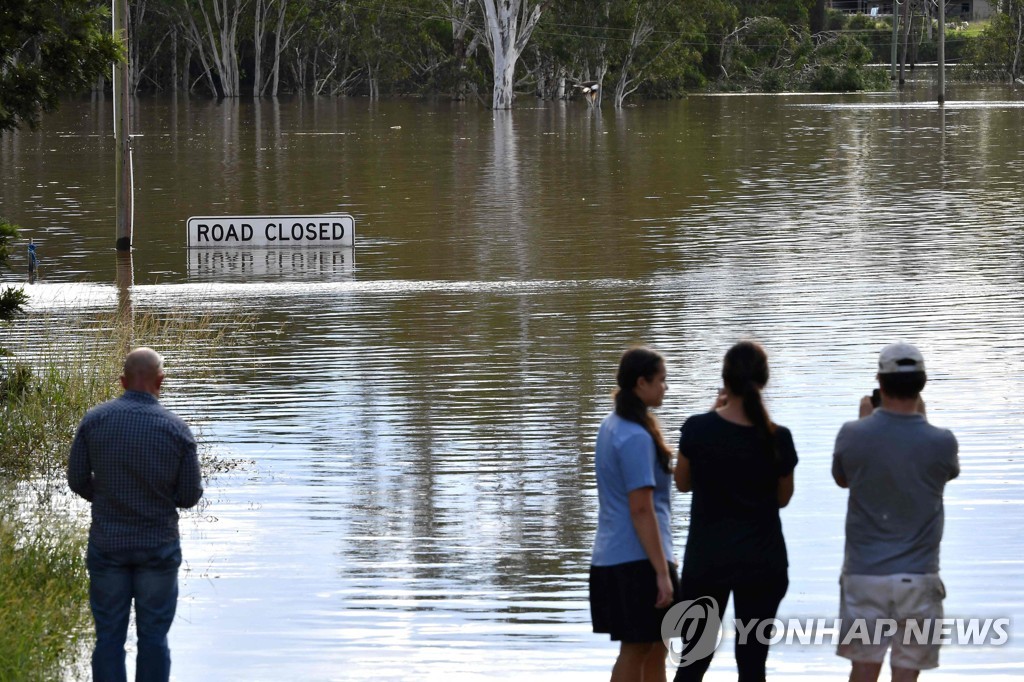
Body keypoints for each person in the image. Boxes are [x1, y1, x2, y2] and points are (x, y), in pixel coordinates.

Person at [68, 347, 203, 682]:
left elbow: (76, 479)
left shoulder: (94, 420)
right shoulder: (176, 429)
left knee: (109, 637)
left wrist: (105, 496)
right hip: (158, 546)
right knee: (154, 637)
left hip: (108, 545)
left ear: (122, 380)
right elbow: (188, 497)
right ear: (161, 380)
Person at [832, 343, 959, 682]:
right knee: (906, 674)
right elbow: (945, 473)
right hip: (919, 577)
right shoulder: (942, 441)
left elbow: (843, 479)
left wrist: (864, 422)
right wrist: (922, 419)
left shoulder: (852, 434)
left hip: (865, 576)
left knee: (863, 670)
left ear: (880, 382)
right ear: (922, 384)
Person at [673, 341, 797, 682]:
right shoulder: (778, 438)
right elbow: (782, 499)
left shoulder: (697, 428)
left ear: (725, 380)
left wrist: (712, 414)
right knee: (752, 664)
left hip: (707, 562)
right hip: (763, 563)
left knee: (693, 660)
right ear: (764, 380)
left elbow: (682, 483)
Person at [590, 347, 678, 682]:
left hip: (617, 555)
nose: (665, 388)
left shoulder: (611, 426)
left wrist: (665, 557)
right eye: (661, 381)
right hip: (636, 561)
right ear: (641, 383)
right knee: (638, 648)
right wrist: (661, 571)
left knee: (656, 645)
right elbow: (641, 509)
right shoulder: (636, 436)